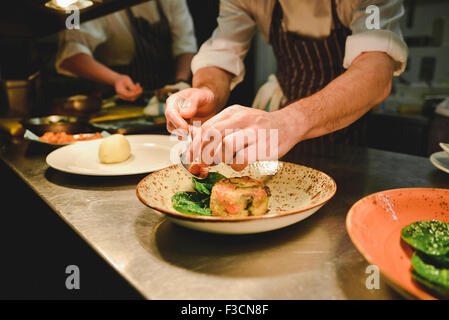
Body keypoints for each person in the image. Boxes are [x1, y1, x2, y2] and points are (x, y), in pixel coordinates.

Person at [165, 0, 408, 170]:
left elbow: (376, 69)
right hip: (281, 130)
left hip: (345, 130)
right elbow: (221, 52)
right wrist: (207, 91)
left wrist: (289, 121)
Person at [55, 0, 197, 101]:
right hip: (119, 101)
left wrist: (181, 82)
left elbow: (185, 44)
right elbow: (71, 56)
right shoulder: (96, 3)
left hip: (168, 98)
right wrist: (116, 79)